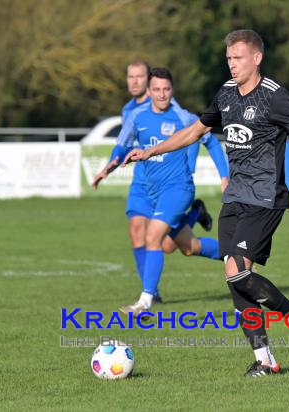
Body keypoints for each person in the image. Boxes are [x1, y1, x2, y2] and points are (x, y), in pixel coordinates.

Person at [123, 30, 289, 377]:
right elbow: (195, 131)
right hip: (234, 197)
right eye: (229, 58)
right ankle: (265, 360)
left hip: (265, 198)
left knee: (237, 270)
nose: (232, 64)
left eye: (238, 58)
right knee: (235, 277)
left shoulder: (273, 97)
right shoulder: (226, 94)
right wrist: (152, 150)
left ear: (257, 58)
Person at [96, 67, 228, 317]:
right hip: (153, 192)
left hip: (178, 189)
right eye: (156, 89)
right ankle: (236, 254)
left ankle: (145, 301)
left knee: (153, 237)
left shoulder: (185, 117)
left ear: (172, 90)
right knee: (189, 247)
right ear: (149, 91)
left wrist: (224, 176)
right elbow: (121, 146)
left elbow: (211, 142)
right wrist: (107, 169)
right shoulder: (136, 117)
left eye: (166, 89)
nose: (161, 94)